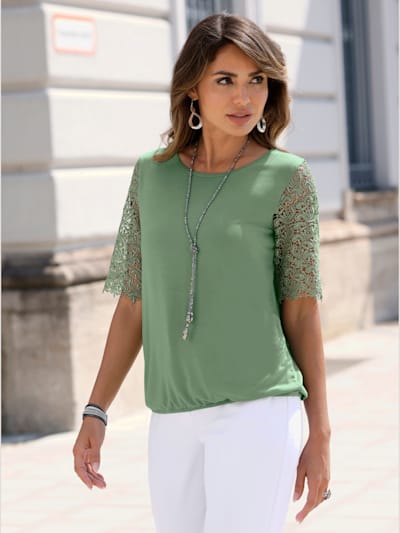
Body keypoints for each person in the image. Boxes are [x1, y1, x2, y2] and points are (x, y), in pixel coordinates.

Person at [73, 13, 331, 533]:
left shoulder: (288, 179)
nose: (244, 97)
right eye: (225, 80)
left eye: (257, 80)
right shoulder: (151, 175)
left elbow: (302, 313)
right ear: (192, 87)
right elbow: (132, 303)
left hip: (258, 407)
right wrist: (96, 410)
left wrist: (319, 434)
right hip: (171, 414)